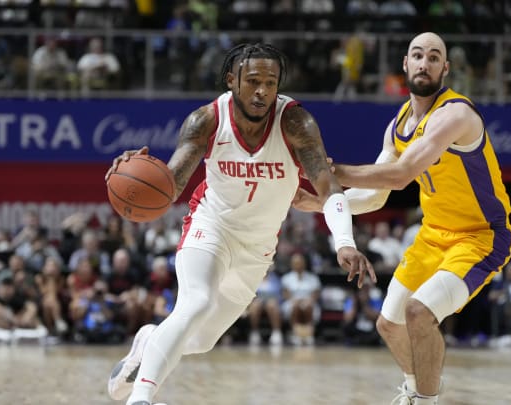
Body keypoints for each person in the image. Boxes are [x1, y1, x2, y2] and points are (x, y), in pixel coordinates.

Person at [105, 43, 374, 405]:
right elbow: (170, 186)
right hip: (211, 224)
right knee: (195, 303)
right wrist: (135, 176)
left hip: (257, 247)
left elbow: (328, 186)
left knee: (199, 341)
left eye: (270, 82)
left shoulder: (296, 123)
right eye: (252, 81)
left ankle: (147, 341)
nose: (262, 91)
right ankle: (141, 398)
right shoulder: (207, 120)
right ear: (231, 80)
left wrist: (344, 241)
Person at [294, 32, 511, 405]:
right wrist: (323, 204)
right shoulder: (397, 127)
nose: (424, 63)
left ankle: (426, 400)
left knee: (419, 312)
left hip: (480, 237)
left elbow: (400, 176)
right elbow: (376, 196)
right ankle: (416, 391)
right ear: (405, 64)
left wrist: (334, 172)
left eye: (433, 57)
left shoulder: (456, 115)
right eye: (417, 55)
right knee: (388, 324)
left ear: (444, 68)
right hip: (433, 235)